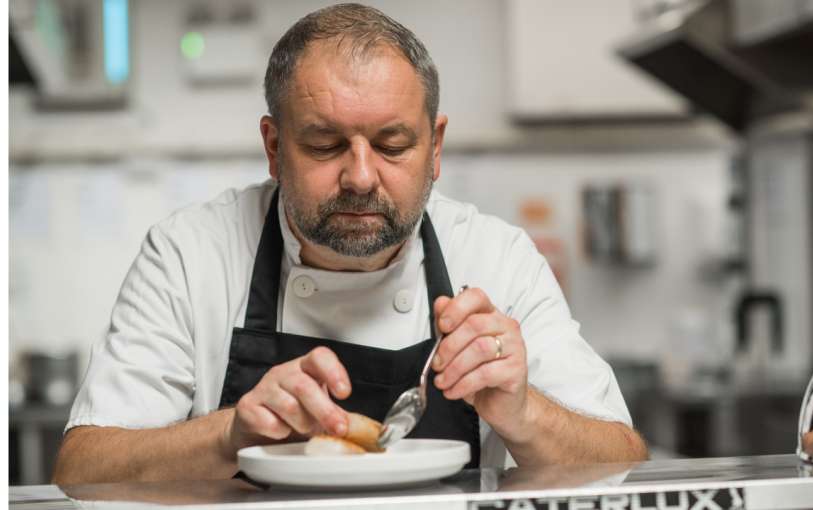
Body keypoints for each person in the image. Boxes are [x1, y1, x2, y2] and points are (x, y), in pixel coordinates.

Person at [52, 3, 647, 484]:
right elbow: (81, 470)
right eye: (324, 144)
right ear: (273, 146)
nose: (361, 177)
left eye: (392, 145)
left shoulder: (497, 258)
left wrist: (525, 412)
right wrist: (230, 433)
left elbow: (624, 459)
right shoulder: (189, 254)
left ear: (435, 148)